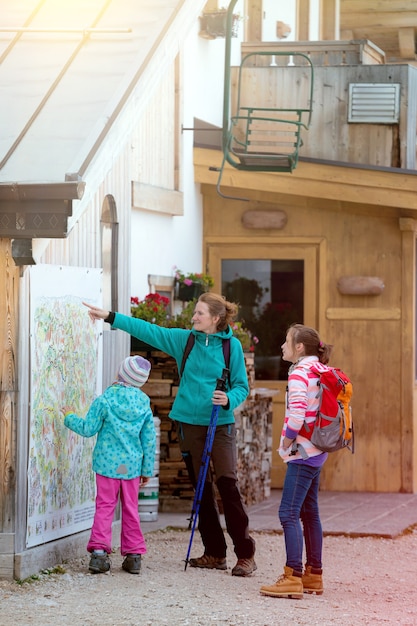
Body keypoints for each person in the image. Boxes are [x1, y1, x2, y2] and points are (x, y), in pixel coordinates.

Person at [84, 292, 257, 577]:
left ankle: (245, 554)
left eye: (200, 313)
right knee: (201, 488)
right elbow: (147, 330)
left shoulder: (232, 347)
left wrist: (228, 398)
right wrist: (109, 317)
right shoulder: (184, 340)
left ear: (215, 318)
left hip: (221, 424)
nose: (194, 317)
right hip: (189, 423)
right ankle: (215, 553)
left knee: (227, 485)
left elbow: (241, 386)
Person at [62, 355, 156, 575]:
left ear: (119, 374)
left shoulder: (105, 399)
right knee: (131, 509)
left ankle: (99, 554)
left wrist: (68, 417)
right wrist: (146, 470)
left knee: (105, 506)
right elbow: (149, 439)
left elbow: (87, 428)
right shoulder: (143, 403)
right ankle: (133, 556)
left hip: (107, 465)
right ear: (141, 382)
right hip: (131, 467)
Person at [260, 323, 332, 599]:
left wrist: (288, 441)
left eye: (286, 341)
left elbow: (298, 415)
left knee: (288, 513)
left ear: (299, 347)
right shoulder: (320, 369)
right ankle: (314, 575)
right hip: (318, 451)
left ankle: (292, 576)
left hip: (302, 453)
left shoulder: (300, 372)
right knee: (309, 512)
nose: (282, 346)